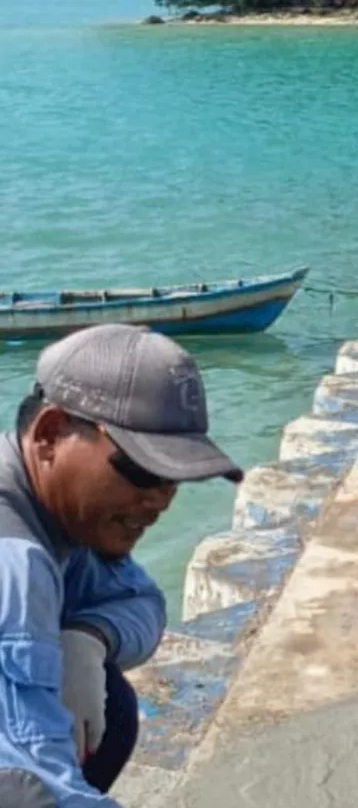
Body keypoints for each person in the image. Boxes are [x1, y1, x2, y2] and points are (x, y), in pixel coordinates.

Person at [0, 323, 243, 806]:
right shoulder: (14, 563)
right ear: (49, 435)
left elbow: (142, 600)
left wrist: (88, 639)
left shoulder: (62, 520)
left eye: (175, 479)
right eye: (142, 471)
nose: (159, 501)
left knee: (111, 700)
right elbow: (32, 788)